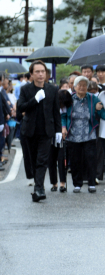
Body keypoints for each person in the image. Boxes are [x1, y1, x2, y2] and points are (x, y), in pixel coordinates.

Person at [16, 61, 62, 201]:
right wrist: (35, 100)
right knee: (33, 160)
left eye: (43, 71)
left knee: (42, 160)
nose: (41, 74)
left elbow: (56, 112)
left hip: (46, 131)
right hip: (30, 131)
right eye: (37, 71)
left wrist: (58, 130)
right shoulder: (26, 90)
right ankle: (38, 187)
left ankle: (39, 189)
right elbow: (21, 108)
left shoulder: (53, 89)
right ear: (31, 74)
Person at [61, 76, 105, 193]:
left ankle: (92, 183)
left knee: (91, 159)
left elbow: (102, 112)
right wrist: (63, 127)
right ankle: (77, 184)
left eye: (84, 85)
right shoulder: (70, 99)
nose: (82, 87)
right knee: (75, 160)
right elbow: (63, 115)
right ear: (75, 87)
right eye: (79, 85)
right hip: (73, 135)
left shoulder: (93, 98)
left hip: (89, 134)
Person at [49, 89, 73, 192]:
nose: (62, 105)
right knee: (50, 160)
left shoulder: (68, 108)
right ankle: (54, 183)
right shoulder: (51, 105)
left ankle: (62, 183)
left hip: (62, 136)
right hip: (50, 135)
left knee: (61, 160)